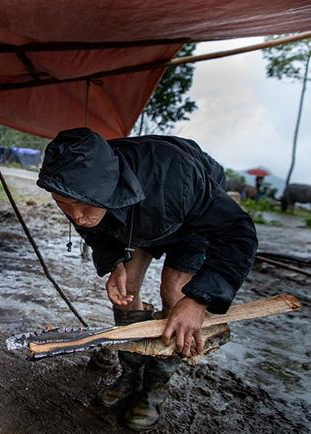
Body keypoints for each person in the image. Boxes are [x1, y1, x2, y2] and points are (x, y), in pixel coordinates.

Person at [37, 128, 258, 431]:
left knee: (175, 290)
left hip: (188, 218)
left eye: (84, 205)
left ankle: (155, 389)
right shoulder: (75, 182)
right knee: (126, 288)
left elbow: (238, 232)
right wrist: (114, 261)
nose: (75, 215)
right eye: (63, 203)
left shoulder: (178, 177)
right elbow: (91, 227)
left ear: (109, 187)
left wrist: (198, 300)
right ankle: (129, 374)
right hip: (135, 221)